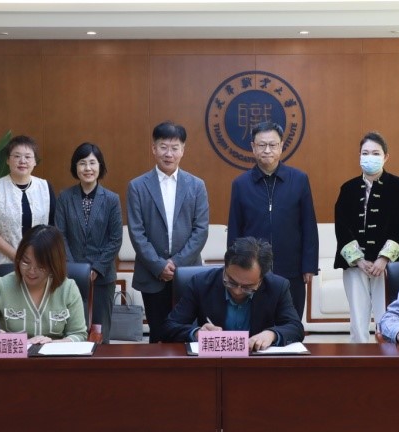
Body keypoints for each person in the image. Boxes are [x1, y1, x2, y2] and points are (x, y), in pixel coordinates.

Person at [126, 121, 209, 343]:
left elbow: (201, 230)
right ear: (154, 149)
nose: (168, 153)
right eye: (163, 147)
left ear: (183, 150)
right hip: (152, 273)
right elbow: (136, 232)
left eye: (174, 148)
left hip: (188, 272)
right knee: (158, 334)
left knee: (189, 334)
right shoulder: (137, 186)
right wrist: (159, 265)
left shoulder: (196, 185)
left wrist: (176, 264)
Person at [227, 120, 318, 317]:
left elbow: (308, 225)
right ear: (253, 147)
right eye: (262, 145)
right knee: (255, 321)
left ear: (281, 146)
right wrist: (233, 267)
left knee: (291, 320)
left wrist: (309, 265)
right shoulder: (241, 184)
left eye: (272, 145)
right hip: (252, 270)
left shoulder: (299, 179)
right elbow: (235, 228)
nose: (267, 150)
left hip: (292, 268)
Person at [333, 132, 399, 342]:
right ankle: (359, 355)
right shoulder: (348, 188)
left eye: (376, 153)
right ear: (359, 155)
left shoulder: (397, 186)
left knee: (387, 314)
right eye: (365, 153)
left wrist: (383, 259)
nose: (370, 157)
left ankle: (388, 353)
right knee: (357, 318)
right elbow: (342, 227)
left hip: (385, 265)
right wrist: (358, 260)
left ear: (386, 157)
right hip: (355, 265)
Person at [164, 237, 304, 350]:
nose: (237, 291)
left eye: (248, 287)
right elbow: (169, 327)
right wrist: (197, 333)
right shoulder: (201, 284)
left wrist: (271, 334)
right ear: (225, 267)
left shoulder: (277, 287)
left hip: (257, 362)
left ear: (261, 278)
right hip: (214, 363)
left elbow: (295, 328)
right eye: (230, 282)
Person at [0, 225, 87, 344]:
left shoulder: (68, 288)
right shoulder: (2, 286)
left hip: (54, 358)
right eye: (26, 262)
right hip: (13, 358)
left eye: (41, 266)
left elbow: (79, 334)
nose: (31, 271)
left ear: (54, 264)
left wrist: (54, 344)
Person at [54, 142, 123, 343]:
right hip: (71, 276)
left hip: (103, 277)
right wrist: (76, 269)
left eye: (92, 163)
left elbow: (116, 238)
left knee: (100, 333)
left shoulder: (111, 199)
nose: (88, 168)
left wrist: (96, 268)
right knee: (73, 332)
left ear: (100, 166)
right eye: (82, 163)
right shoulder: (65, 197)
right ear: (75, 167)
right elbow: (60, 235)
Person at [0, 135, 56, 286]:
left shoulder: (45, 187)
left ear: (35, 161)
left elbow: (52, 227)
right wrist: (17, 256)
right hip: (2, 265)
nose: (22, 161)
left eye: (28, 157)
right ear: (8, 160)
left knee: (35, 301)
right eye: (16, 156)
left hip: (39, 263)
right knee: (1, 302)